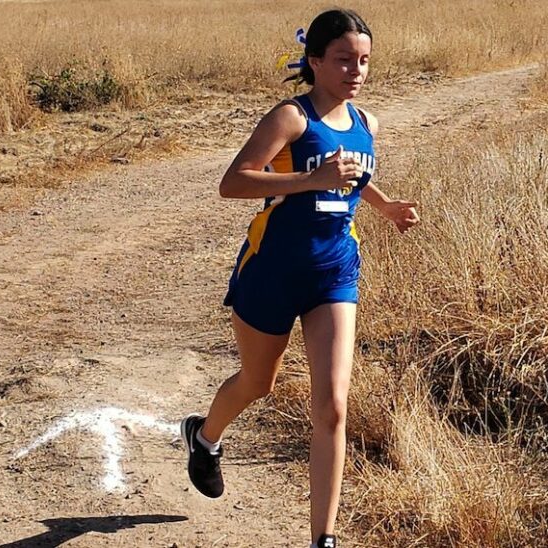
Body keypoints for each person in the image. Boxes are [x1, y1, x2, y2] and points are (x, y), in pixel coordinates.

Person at [180, 9, 420, 548]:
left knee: (333, 406)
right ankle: (204, 436)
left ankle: (323, 539)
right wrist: (311, 178)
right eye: (342, 60)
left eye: (363, 61)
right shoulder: (291, 117)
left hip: (335, 271)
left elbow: (354, 179)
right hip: (271, 271)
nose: (355, 71)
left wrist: (384, 207)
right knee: (258, 383)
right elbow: (233, 183)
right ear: (314, 61)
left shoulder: (367, 124)